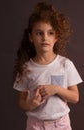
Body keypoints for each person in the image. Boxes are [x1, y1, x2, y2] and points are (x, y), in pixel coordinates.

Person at [13, 2, 83, 130]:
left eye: (50, 33)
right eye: (39, 33)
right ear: (31, 37)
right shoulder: (26, 68)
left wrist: (56, 89)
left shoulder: (65, 64)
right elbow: (22, 101)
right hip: (35, 125)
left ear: (56, 37)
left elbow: (75, 97)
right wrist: (30, 104)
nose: (45, 37)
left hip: (61, 125)